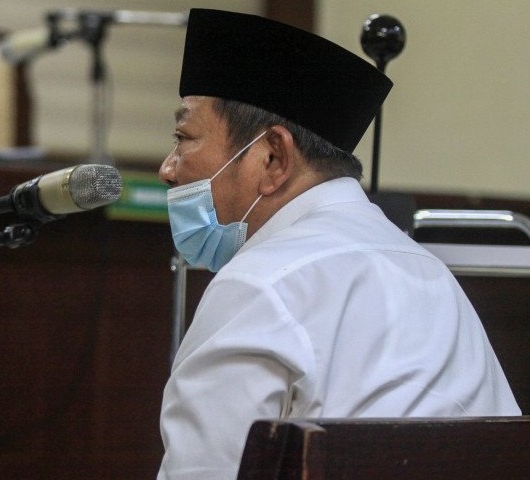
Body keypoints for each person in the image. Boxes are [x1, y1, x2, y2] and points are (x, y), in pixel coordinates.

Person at [157, 8, 520, 479]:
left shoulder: (258, 284)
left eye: (184, 137)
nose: (168, 168)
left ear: (272, 157)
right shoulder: (430, 271)